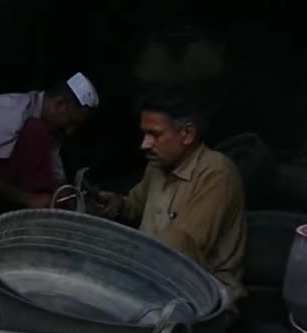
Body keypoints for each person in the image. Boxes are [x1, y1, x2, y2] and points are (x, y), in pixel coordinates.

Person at [97, 94, 247, 315]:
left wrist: (120, 262)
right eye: (144, 134)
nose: (144, 144)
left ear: (187, 134)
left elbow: (180, 248)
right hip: (152, 284)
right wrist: (117, 204)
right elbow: (134, 205)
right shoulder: (157, 167)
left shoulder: (217, 173)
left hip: (207, 300)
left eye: (155, 135)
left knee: (172, 242)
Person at [0, 73, 100, 213]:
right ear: (59, 104)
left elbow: (54, 176)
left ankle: (41, 209)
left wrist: (71, 200)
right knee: (35, 131)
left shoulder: (51, 128)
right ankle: (36, 214)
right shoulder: (10, 113)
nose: (70, 130)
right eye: (70, 121)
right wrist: (28, 198)